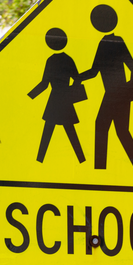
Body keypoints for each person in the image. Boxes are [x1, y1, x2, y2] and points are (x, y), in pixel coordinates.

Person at [78, 4, 133, 174]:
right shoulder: (107, 42)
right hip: (115, 94)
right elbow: (95, 71)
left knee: (102, 126)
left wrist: (127, 92)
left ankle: (99, 171)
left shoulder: (114, 42)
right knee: (121, 131)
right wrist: (78, 77)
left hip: (116, 94)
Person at [28, 27, 86, 164]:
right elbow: (77, 78)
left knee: (50, 130)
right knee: (68, 130)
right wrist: (73, 91)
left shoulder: (51, 60)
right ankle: (82, 159)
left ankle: (40, 160)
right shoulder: (68, 59)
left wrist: (31, 95)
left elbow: (44, 83)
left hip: (55, 99)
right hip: (65, 98)